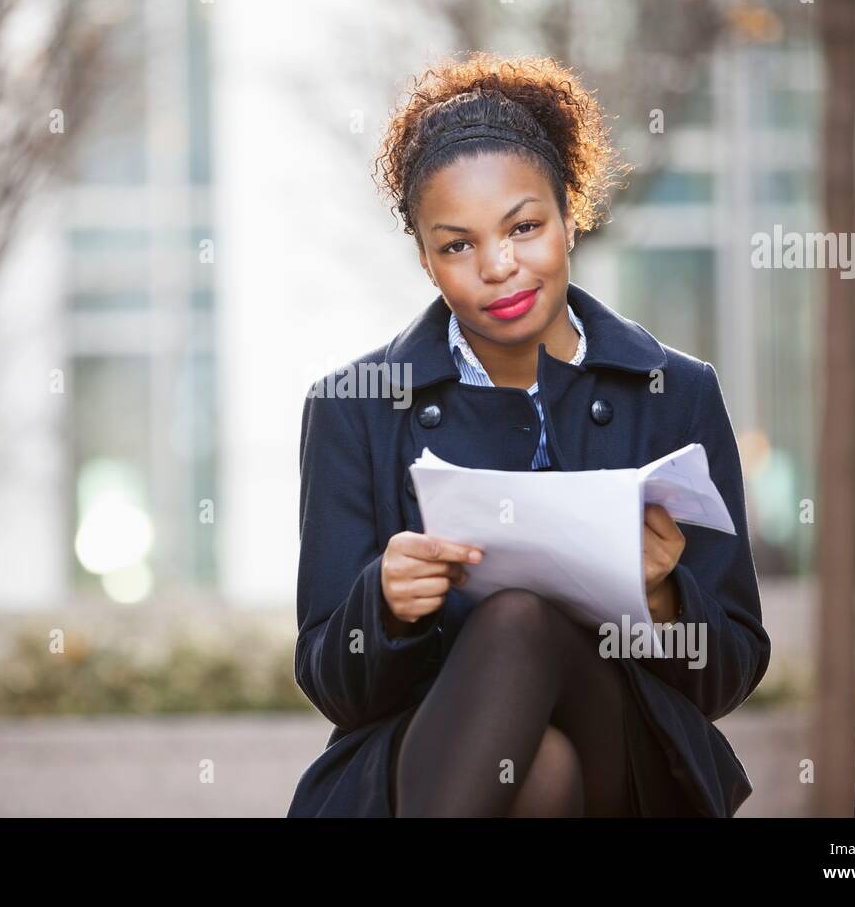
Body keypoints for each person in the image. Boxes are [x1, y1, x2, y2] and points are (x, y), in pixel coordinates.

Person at [286, 53, 771, 818]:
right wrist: (381, 607)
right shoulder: (353, 408)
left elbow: (732, 671)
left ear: (570, 213)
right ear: (425, 258)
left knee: (520, 620)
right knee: (541, 772)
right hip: (430, 749)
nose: (500, 267)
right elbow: (329, 681)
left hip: (630, 757)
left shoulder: (676, 393)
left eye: (525, 227)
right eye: (458, 245)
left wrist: (663, 595)